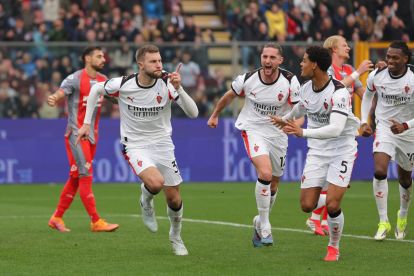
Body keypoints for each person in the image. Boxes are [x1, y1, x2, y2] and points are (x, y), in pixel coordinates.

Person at [77, 44, 199, 255]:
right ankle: (146, 198)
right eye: (153, 61)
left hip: (162, 144)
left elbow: (194, 113)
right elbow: (97, 88)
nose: (159, 65)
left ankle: (176, 237)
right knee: (156, 182)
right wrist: (87, 123)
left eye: (160, 60)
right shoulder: (124, 84)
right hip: (135, 144)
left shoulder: (168, 84)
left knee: (174, 198)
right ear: (141, 64)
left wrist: (179, 88)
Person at [271, 46, 360, 261]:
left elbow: (336, 129)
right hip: (318, 152)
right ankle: (326, 206)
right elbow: (301, 109)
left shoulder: (338, 93)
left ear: (315, 65)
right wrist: (285, 118)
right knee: (306, 205)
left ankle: (334, 247)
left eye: (304, 60)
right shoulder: (307, 88)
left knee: (332, 204)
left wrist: (303, 132)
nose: (300, 64)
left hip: (341, 150)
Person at [207, 43, 301, 247]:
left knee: (274, 183)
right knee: (265, 174)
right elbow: (228, 96)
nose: (267, 61)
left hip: (278, 133)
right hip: (253, 130)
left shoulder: (290, 81)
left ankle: (258, 221)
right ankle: (266, 225)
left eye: (272, 57)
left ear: (280, 60)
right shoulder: (248, 79)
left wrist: (295, 126)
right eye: (264, 57)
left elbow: (298, 111)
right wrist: (215, 114)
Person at [305, 35, 373, 236]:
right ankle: (316, 217)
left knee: (336, 183)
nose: (349, 48)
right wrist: (358, 73)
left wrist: (378, 92)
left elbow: (363, 95)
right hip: (327, 129)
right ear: (333, 49)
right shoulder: (328, 71)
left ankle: (317, 218)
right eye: (344, 45)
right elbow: (334, 88)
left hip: (345, 131)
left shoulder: (350, 69)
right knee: (330, 184)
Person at [47, 46, 119, 232]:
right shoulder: (75, 79)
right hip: (76, 135)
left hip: (93, 135)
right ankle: (96, 221)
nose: (103, 59)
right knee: (85, 175)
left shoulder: (103, 81)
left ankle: (56, 217)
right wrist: (55, 97)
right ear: (87, 58)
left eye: (104, 55)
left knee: (76, 178)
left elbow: (117, 97)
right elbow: (61, 92)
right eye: (99, 56)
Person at [360, 40, 414, 241]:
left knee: (405, 179)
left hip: (408, 132)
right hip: (384, 128)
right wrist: (364, 121)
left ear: (405, 59)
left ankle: (402, 215)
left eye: (395, 57)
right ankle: (383, 221)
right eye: (388, 56)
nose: (389, 60)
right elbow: (367, 97)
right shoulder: (377, 76)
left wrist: (405, 126)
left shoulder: (413, 78)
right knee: (380, 170)